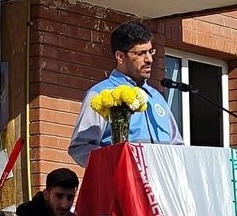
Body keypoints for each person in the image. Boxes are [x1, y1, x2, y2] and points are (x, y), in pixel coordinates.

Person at [68, 21, 183, 167]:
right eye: (140, 53)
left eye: (150, 51)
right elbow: (80, 148)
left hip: (160, 180)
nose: (149, 59)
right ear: (120, 57)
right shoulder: (101, 94)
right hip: (122, 179)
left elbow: (177, 147)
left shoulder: (156, 97)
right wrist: (117, 165)